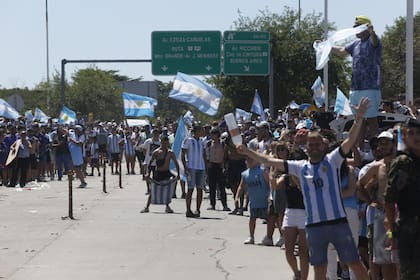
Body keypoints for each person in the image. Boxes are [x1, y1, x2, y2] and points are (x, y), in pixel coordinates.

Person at [236, 97, 370, 280]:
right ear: (306, 147)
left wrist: (359, 118)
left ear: (323, 146)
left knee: (354, 263)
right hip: (314, 227)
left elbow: (350, 140)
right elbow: (268, 161)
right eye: (311, 144)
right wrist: (247, 151)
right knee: (320, 269)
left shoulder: (333, 161)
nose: (314, 147)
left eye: (317, 144)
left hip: (338, 223)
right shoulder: (300, 166)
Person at [332, 15, 381, 149]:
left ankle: (374, 149)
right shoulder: (355, 44)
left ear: (366, 28)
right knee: (359, 121)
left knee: (371, 120)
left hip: (370, 87)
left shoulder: (372, 40)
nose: (355, 30)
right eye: (354, 27)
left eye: (357, 27)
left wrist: (372, 32)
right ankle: (360, 149)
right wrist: (328, 46)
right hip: (355, 88)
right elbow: (342, 51)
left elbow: (375, 42)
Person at [359, 131, 398, 279]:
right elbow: (360, 185)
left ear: (394, 144)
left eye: (385, 142)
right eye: (379, 143)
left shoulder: (405, 162)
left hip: (402, 214)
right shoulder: (376, 166)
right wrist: (370, 202)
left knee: (401, 258)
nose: (381, 146)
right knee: (384, 259)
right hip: (382, 215)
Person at [385, 118, 420, 280]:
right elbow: (390, 200)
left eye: (419, 133)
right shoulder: (402, 163)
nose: (416, 137)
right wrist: (392, 233)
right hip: (409, 229)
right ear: (404, 137)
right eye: (411, 133)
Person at [236, 156, 274, 246]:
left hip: (264, 200)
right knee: (252, 218)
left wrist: (270, 196)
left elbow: (269, 184)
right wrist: (237, 196)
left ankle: (269, 238)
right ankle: (251, 237)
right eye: (247, 160)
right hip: (254, 201)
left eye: (251, 159)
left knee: (269, 219)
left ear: (256, 161)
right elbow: (241, 186)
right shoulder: (245, 174)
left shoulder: (262, 171)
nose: (249, 161)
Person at [140, 135, 180, 214]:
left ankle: (167, 207)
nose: (165, 145)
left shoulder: (170, 153)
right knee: (153, 190)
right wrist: (148, 173)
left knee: (167, 190)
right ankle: (147, 207)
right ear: (161, 143)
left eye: (166, 143)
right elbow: (150, 164)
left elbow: (176, 163)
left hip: (166, 173)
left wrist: (178, 174)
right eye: (163, 143)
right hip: (158, 173)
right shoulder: (156, 152)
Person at [182, 124, 206, 218]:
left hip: (201, 167)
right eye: (201, 130)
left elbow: (203, 154)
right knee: (190, 189)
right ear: (196, 131)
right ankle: (188, 209)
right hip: (191, 167)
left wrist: (206, 167)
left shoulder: (201, 141)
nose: (203, 132)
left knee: (200, 189)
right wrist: (185, 166)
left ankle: (198, 209)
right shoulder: (188, 140)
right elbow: (183, 153)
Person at [205, 127, 230, 211]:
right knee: (212, 187)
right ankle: (212, 204)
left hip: (220, 166)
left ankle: (225, 205)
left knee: (222, 187)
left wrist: (224, 166)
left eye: (213, 134)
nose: (211, 136)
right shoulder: (208, 143)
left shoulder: (223, 144)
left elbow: (226, 156)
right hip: (211, 166)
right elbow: (205, 155)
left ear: (217, 135)